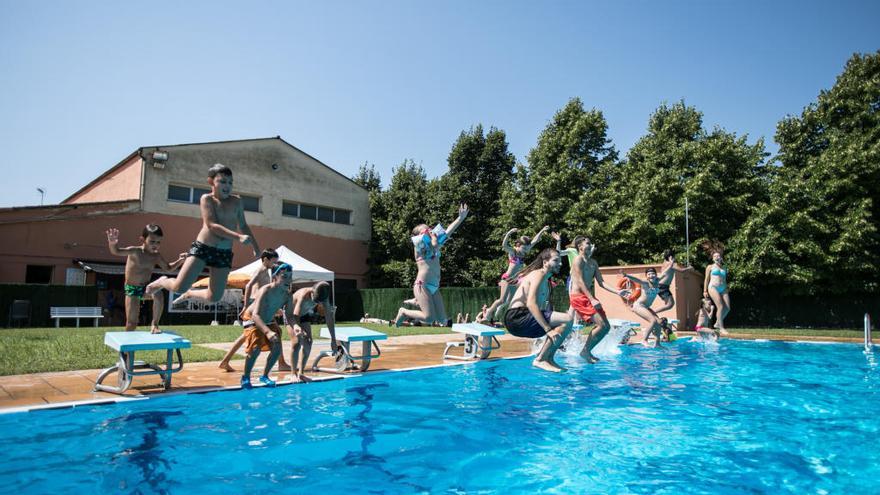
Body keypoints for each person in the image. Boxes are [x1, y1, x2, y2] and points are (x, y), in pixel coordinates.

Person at [146, 163, 260, 303]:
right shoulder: (207, 199)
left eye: (230, 182)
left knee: (214, 297)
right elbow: (212, 225)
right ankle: (162, 282)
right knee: (179, 287)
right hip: (203, 248)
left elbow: (243, 225)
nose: (227, 186)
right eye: (222, 181)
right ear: (211, 181)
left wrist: (256, 247)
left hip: (223, 253)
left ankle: (190, 295)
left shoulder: (236, 202)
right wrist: (238, 237)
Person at [394, 204, 469, 327]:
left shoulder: (434, 244)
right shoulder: (419, 245)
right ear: (419, 235)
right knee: (428, 318)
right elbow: (433, 245)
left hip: (434, 286)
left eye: (429, 228)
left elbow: (448, 232)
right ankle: (403, 311)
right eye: (426, 230)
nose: (430, 231)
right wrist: (434, 239)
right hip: (422, 284)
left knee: (442, 320)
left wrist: (460, 218)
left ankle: (418, 301)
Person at [218, 249, 292, 372]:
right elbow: (248, 286)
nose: (275, 264)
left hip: (262, 304)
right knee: (274, 331)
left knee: (258, 334)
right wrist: (246, 306)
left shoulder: (267, 272)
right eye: (274, 262)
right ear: (265, 260)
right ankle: (281, 363)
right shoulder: (261, 270)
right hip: (255, 305)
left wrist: (275, 307)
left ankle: (225, 361)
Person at [503, 248, 573, 372]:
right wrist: (547, 329)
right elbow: (531, 303)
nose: (560, 263)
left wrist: (559, 330)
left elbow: (544, 311)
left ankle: (548, 359)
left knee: (564, 324)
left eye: (560, 261)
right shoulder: (538, 274)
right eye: (556, 260)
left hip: (523, 320)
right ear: (545, 262)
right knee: (567, 319)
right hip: (517, 317)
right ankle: (540, 359)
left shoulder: (547, 283)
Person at [106, 225, 186, 333]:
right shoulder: (135, 251)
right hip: (132, 289)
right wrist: (112, 243)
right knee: (132, 323)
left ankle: (155, 324)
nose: (155, 245)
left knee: (158, 294)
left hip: (146, 288)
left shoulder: (156, 256)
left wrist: (180, 261)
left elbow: (168, 268)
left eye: (158, 242)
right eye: (152, 242)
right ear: (142, 240)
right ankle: (126, 349)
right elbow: (116, 251)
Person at [567, 236, 627, 362]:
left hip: (588, 297)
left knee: (606, 327)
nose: (590, 245)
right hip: (579, 297)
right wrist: (592, 299)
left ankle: (586, 350)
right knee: (602, 324)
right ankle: (585, 351)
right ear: (580, 247)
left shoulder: (593, 262)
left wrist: (618, 292)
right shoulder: (578, 260)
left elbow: (601, 282)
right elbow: (580, 281)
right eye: (587, 243)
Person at [239, 262, 293, 389]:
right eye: (284, 276)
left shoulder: (287, 295)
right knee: (255, 348)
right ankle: (246, 376)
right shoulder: (266, 290)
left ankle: (264, 376)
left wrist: (296, 327)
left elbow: (289, 316)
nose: (288, 280)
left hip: (268, 320)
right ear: (274, 277)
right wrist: (267, 332)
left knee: (277, 348)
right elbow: (255, 315)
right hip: (252, 318)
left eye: (290, 277)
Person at [481, 226, 550, 323]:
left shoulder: (524, 251)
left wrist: (542, 230)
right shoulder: (513, 252)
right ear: (518, 245)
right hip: (507, 278)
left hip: (514, 280)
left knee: (510, 301)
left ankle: (500, 310)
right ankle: (489, 311)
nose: (526, 250)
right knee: (502, 299)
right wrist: (509, 233)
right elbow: (504, 245)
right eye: (524, 248)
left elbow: (535, 240)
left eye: (527, 248)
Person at [288, 281, 339, 383]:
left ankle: (301, 373)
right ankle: (293, 373)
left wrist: (333, 339)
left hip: (304, 314)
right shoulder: (303, 294)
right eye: (316, 301)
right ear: (312, 291)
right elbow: (295, 315)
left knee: (309, 342)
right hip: (291, 315)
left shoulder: (324, 297)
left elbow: (329, 318)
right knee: (296, 342)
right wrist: (299, 330)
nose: (318, 303)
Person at [622, 267, 665, 347]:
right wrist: (627, 275)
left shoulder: (657, 281)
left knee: (658, 323)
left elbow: (665, 273)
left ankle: (657, 343)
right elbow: (637, 280)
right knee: (653, 321)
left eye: (653, 274)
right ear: (646, 276)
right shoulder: (645, 283)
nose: (651, 276)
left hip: (646, 307)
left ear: (656, 275)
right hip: (639, 306)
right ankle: (644, 340)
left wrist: (671, 264)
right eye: (649, 274)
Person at [703, 250, 731, 334]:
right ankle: (721, 328)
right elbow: (706, 279)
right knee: (720, 306)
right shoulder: (710, 267)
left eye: (718, 256)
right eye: (715, 256)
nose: (717, 257)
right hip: (713, 287)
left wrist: (726, 288)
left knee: (727, 308)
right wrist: (705, 290)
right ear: (712, 258)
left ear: (721, 257)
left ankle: (718, 322)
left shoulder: (724, 267)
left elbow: (724, 279)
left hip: (723, 287)